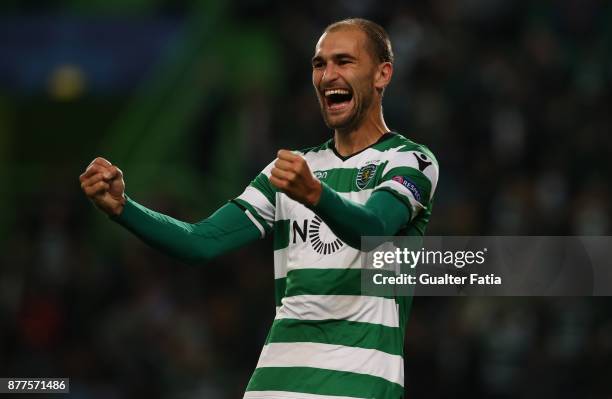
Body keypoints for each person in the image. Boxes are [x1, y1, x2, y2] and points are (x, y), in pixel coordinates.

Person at [79, 18, 439, 399]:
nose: (328, 75)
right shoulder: (290, 170)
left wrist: (316, 195)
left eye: (344, 61)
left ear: (382, 74)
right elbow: (201, 242)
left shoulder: (410, 161)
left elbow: (376, 229)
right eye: (320, 64)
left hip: (358, 385)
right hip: (272, 386)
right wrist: (124, 209)